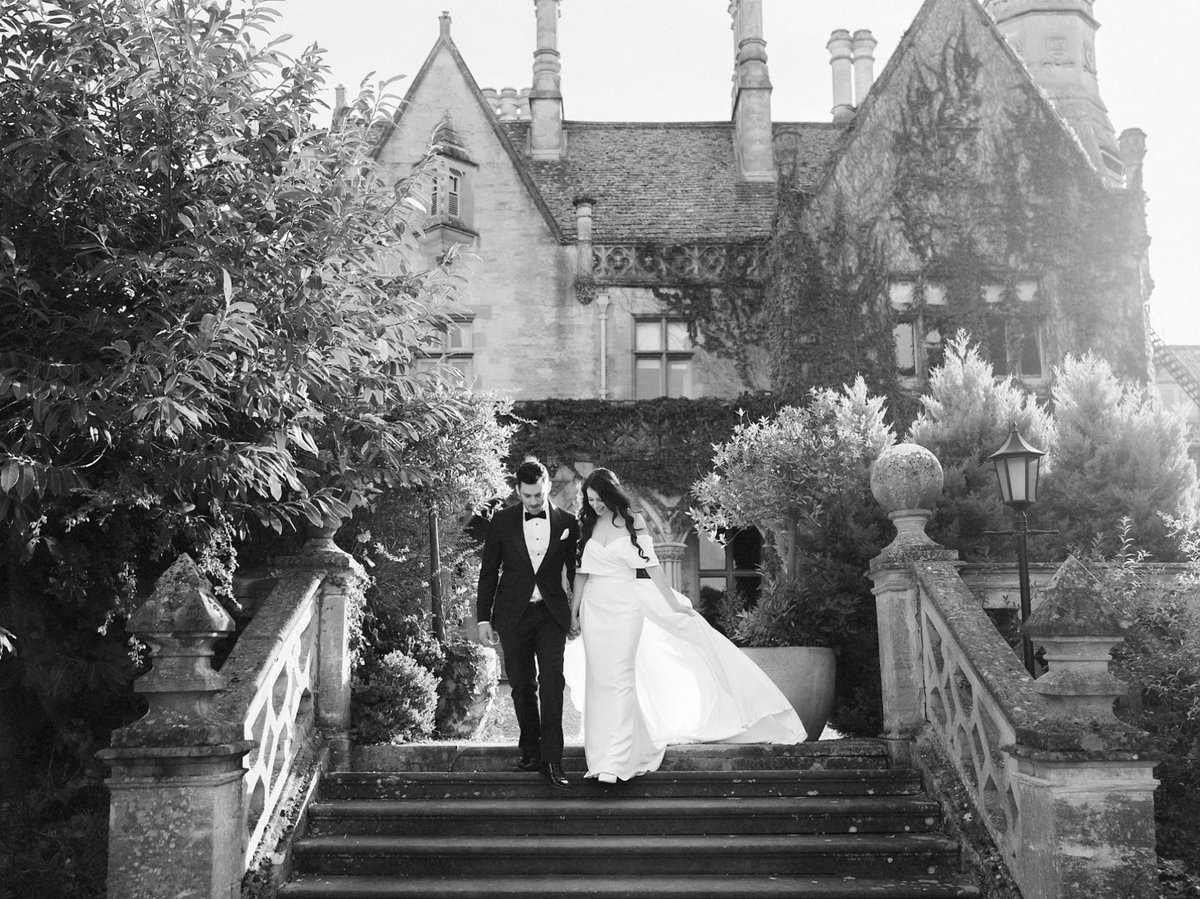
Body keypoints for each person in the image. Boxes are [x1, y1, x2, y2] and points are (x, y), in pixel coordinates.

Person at [565, 468, 805, 784]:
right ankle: (601, 758)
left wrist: (672, 602)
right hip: (596, 608)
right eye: (590, 499)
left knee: (621, 678)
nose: (594, 505)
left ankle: (616, 762)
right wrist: (574, 612)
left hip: (626, 606)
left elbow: (651, 566)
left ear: (611, 494)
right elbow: (582, 573)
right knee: (600, 681)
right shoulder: (588, 524)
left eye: (598, 499)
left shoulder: (634, 521)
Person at [477, 459, 579, 790]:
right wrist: (483, 618)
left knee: (553, 683)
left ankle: (552, 759)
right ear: (518, 491)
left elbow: (576, 573)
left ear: (546, 486)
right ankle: (531, 750)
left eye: (537, 495)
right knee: (522, 685)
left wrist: (578, 613)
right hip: (512, 615)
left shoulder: (568, 522)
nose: (533, 502)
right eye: (527, 496)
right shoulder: (503, 521)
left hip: (551, 614)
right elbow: (489, 570)